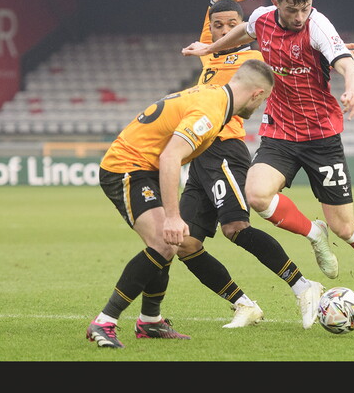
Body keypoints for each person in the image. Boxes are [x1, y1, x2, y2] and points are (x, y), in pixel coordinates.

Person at [182, 0, 354, 300]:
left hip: (321, 135)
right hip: (279, 131)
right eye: (292, 9)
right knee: (257, 195)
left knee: (345, 228)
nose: (299, 16)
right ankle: (313, 233)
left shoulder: (318, 27)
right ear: (277, 2)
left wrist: (352, 89)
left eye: (305, 8)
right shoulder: (262, 18)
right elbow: (244, 30)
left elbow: (347, 66)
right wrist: (209, 48)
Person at [86, 58, 275, 349]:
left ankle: (150, 321)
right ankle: (105, 321)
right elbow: (171, 156)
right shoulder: (212, 111)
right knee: (165, 241)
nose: (261, 107)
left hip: (143, 168)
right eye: (264, 100)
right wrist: (174, 216)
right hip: (126, 166)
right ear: (256, 94)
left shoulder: (215, 97)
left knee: (169, 243)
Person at [174, 0, 325, 330]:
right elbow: (212, 19)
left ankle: (304, 287)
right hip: (198, 157)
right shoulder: (209, 54)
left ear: (242, 27)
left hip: (225, 149)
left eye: (232, 24)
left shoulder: (254, 55)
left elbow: (290, 47)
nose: (222, 29)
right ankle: (244, 305)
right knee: (184, 244)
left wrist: (335, 54)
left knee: (236, 228)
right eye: (216, 25)